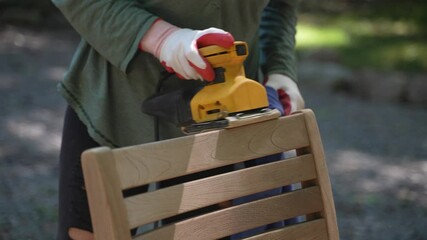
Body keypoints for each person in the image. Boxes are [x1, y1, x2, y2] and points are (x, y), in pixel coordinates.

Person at [52, 0, 304, 239]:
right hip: (114, 106)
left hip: (219, 122)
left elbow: (280, 5)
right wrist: (160, 38)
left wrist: (280, 69)